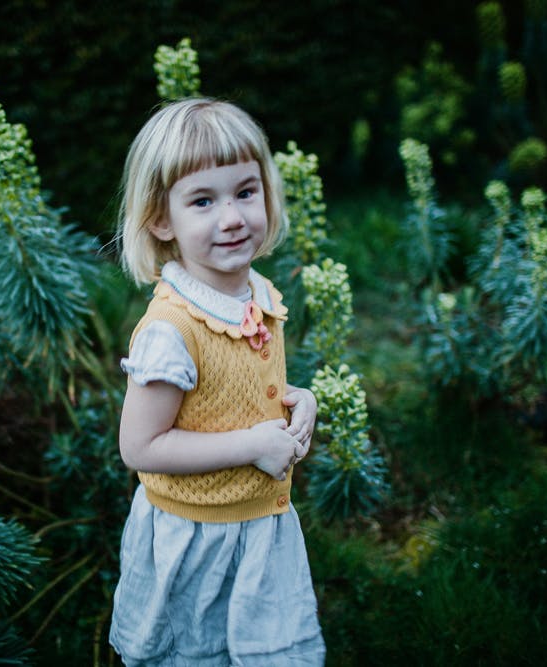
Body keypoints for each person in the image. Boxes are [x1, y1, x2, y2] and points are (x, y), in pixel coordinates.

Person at [108, 97, 326, 666]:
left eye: (245, 192)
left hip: (259, 529)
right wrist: (255, 444)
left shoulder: (255, 293)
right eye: (203, 200)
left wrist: (299, 401)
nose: (231, 217)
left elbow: (245, 390)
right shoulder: (171, 329)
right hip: (196, 541)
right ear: (160, 217)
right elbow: (141, 446)